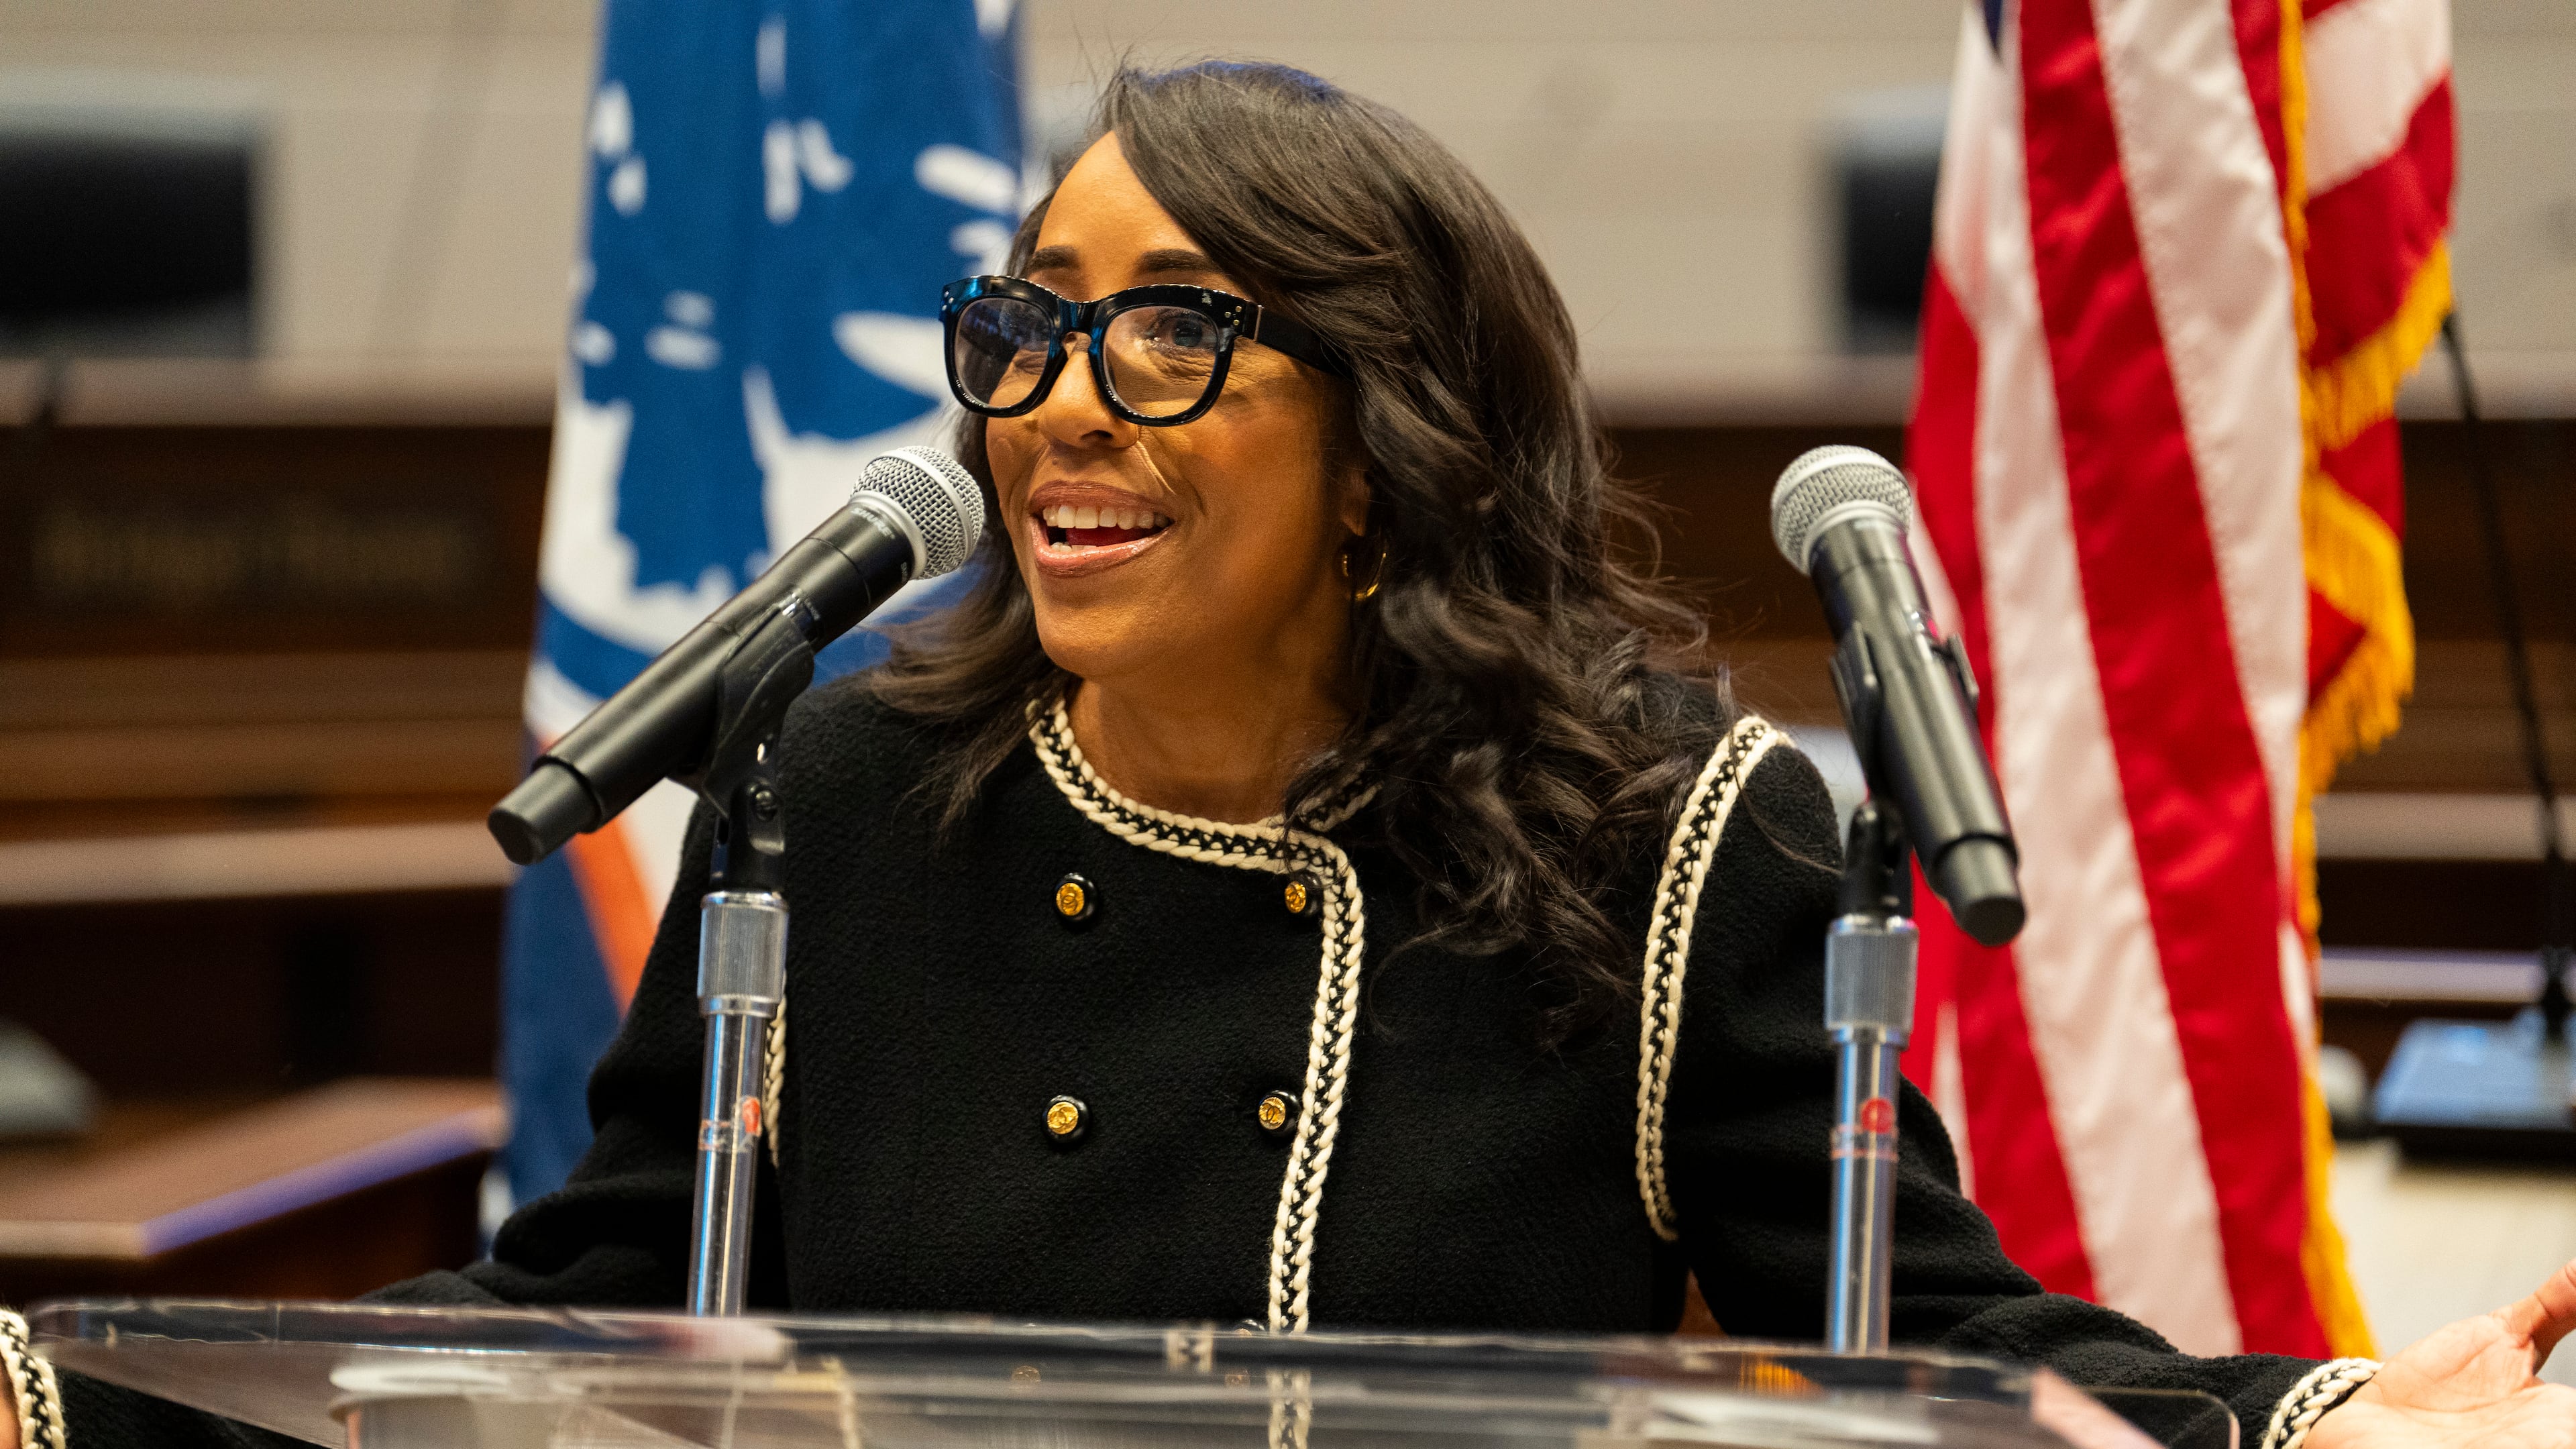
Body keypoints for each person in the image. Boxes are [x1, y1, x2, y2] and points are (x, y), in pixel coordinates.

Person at [5, 60, 2572, 1449]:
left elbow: (1938, 1349)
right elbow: (573, 1324)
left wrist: (2319, 1424)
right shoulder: (851, 791)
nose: (1053, 408)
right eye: (1025, 327)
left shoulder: (1673, 846)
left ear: (1393, 429)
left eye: (1167, 331)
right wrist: (58, 1398)